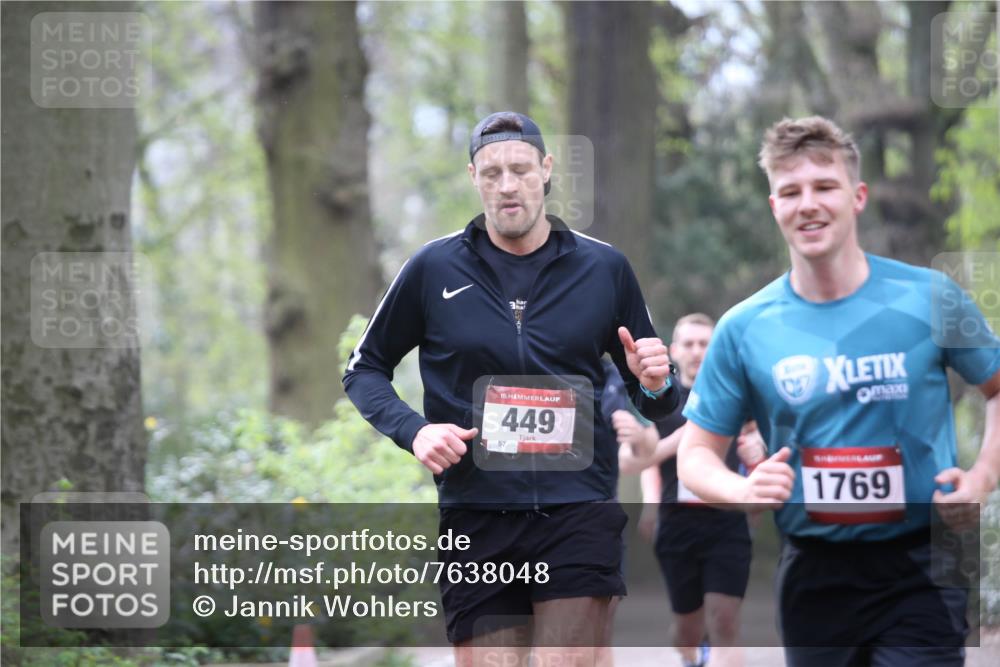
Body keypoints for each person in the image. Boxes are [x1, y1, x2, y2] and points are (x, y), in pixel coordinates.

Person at [343, 111, 678, 666]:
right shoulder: (433, 268)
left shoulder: (603, 268)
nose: (507, 186)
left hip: (579, 511)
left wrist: (657, 384)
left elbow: (652, 394)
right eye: (492, 172)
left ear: (545, 170)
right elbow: (364, 368)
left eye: (520, 169)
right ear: (473, 177)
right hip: (477, 516)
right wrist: (415, 431)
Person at [677, 116, 1000, 666]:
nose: (808, 204)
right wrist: (743, 490)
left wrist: (981, 479)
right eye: (791, 191)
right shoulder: (743, 327)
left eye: (824, 186)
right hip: (814, 573)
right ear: (773, 205)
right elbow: (695, 453)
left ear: (857, 196)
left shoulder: (931, 298)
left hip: (920, 565)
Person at [616, 314, 763, 667]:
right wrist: (651, 495)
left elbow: (764, 440)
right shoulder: (658, 398)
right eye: (689, 344)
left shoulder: (736, 397)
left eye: (705, 344)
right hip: (677, 524)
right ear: (674, 351)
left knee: (724, 620)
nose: (697, 351)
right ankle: (691, 657)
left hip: (727, 521)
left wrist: (759, 449)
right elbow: (632, 462)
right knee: (688, 630)